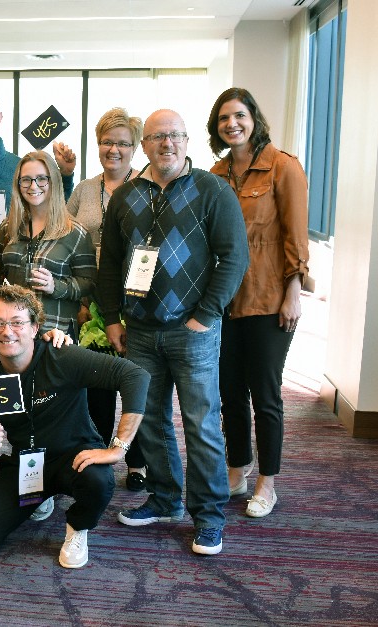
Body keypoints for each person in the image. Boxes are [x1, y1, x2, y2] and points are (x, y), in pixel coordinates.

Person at [96, 109, 249, 556]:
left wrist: (205, 315)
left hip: (194, 331)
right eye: (157, 136)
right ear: (143, 145)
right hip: (140, 332)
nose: (167, 143)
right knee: (150, 419)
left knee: (201, 424)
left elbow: (233, 258)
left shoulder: (213, 190)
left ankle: (209, 516)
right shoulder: (125, 196)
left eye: (175, 135)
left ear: (187, 141)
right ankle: (165, 499)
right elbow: (109, 266)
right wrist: (110, 318)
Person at [0, 285, 149, 567]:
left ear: (35, 327)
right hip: (27, 464)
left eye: (17, 323)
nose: (7, 331)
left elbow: (136, 376)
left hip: (75, 456)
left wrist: (118, 449)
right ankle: (39, 498)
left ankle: (77, 527)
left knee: (98, 481)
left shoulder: (62, 355)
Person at [207, 88, 310, 518]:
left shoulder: (283, 167)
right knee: (228, 391)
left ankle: (268, 482)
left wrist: (293, 292)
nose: (232, 123)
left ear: (254, 118)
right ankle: (238, 468)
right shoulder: (216, 172)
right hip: (225, 303)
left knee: (265, 394)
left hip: (269, 300)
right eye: (224, 118)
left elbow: (295, 236)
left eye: (239, 115)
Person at [66, 107, 148, 490]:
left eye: (122, 143)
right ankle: (97, 453)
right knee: (97, 386)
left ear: (136, 147)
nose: (113, 149)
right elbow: (66, 238)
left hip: (138, 300)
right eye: (106, 141)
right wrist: (80, 301)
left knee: (136, 382)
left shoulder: (148, 187)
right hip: (92, 301)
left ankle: (137, 460)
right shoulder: (83, 189)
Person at [0, 150, 96, 336]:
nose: (33, 186)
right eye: (26, 180)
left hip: (56, 332)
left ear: (54, 182)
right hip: (13, 332)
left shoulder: (75, 232)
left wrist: (54, 286)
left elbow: (88, 283)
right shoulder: (10, 226)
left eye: (41, 179)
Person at [0, 91, 76, 265]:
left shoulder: (19, 167)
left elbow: (52, 207)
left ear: (0, 118)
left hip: (14, 268)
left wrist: (65, 176)